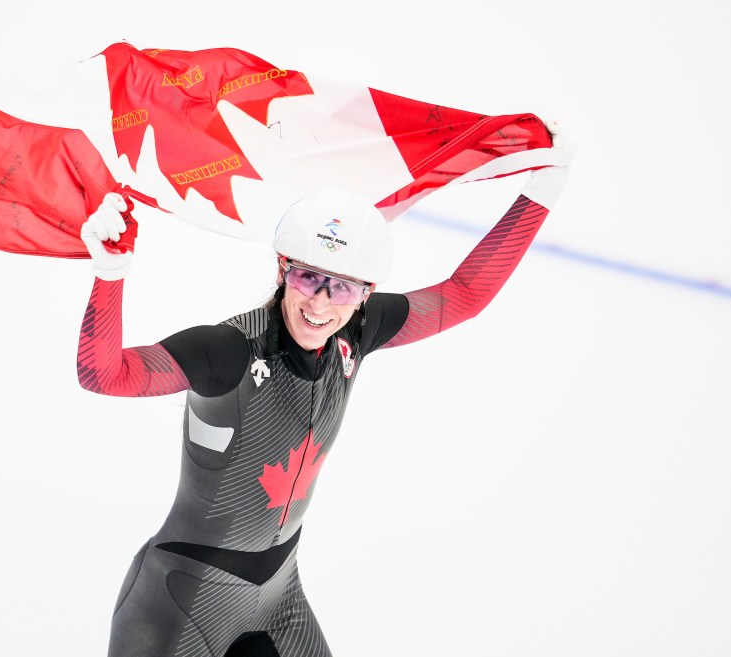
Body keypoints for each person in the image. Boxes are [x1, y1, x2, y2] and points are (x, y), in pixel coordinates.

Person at [76, 153, 569, 657]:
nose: (320, 304)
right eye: (308, 277)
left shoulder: (358, 331)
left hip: (278, 599)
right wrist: (110, 274)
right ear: (282, 267)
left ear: (365, 294)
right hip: (179, 603)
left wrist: (540, 194)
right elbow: (104, 374)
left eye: (343, 287)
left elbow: (462, 295)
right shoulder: (229, 350)